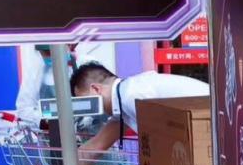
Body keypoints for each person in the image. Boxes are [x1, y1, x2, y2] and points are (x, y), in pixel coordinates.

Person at [70, 63, 208, 156]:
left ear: (96, 89)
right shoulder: (124, 98)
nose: (89, 111)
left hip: (210, 126)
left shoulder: (131, 96)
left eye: (85, 100)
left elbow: (163, 144)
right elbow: (97, 144)